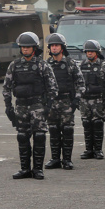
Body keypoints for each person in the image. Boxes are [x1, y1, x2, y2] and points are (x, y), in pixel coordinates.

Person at [2, 32, 58, 180]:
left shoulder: (42, 65)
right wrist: (8, 106)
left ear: (34, 48)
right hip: (21, 106)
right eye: (23, 47)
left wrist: (48, 106)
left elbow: (53, 87)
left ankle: (38, 169)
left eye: (28, 47)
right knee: (22, 137)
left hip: (37, 105)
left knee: (39, 136)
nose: (25, 49)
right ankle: (25, 169)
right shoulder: (14, 65)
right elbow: (6, 87)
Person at [44, 33, 85, 170]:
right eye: (52, 46)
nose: (54, 48)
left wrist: (76, 100)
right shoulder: (46, 64)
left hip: (66, 102)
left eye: (56, 45)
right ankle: (55, 158)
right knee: (53, 130)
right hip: (52, 103)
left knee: (67, 131)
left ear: (62, 47)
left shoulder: (70, 64)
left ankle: (67, 160)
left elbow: (81, 83)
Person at [78, 40, 105, 160]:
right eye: (88, 51)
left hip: (98, 101)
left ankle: (98, 150)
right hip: (85, 101)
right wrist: (77, 100)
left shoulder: (104, 66)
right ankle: (88, 150)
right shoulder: (81, 66)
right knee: (86, 125)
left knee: (97, 124)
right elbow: (76, 84)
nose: (89, 53)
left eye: (92, 51)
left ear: (97, 52)